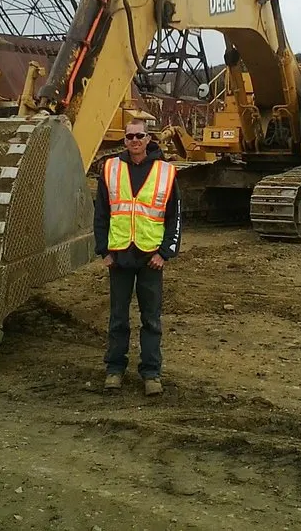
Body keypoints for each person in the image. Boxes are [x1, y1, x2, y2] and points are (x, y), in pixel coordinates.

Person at [94, 118, 182, 396]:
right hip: (119, 256)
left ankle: (151, 373)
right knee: (118, 317)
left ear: (148, 139)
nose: (133, 140)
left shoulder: (166, 172)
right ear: (125, 140)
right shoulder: (110, 169)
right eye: (129, 136)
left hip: (150, 258)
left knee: (151, 319)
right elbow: (101, 214)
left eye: (139, 136)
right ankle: (114, 370)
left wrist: (165, 253)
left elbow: (174, 217)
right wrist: (104, 251)